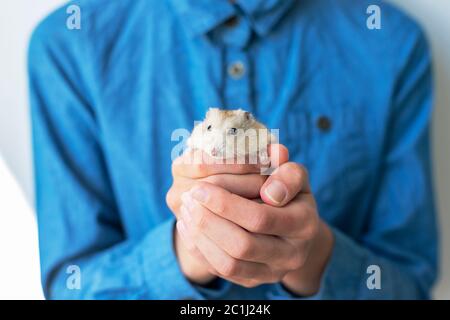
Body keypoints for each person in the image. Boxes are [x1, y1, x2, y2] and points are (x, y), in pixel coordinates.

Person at [28, 0, 438, 299]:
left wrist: (312, 253)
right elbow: (72, 285)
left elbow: (408, 285)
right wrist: (185, 252)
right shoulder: (70, 46)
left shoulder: (390, 44)